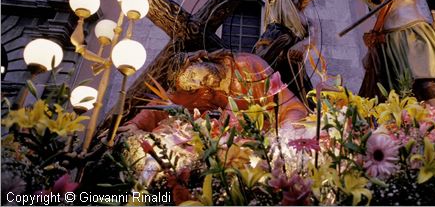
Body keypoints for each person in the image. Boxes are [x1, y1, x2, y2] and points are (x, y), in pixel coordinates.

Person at [121, 49, 309, 133]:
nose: (199, 82)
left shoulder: (248, 65)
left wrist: (286, 132)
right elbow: (163, 104)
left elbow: (288, 105)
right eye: (192, 85)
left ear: (198, 60)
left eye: (194, 74)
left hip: (280, 126)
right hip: (236, 145)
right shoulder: (205, 91)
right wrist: (136, 125)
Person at [237, 0, 321, 109]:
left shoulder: (309, 21)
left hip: (291, 61)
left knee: (300, 102)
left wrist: (301, 44)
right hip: (271, 49)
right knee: (259, 92)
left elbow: (313, 39)